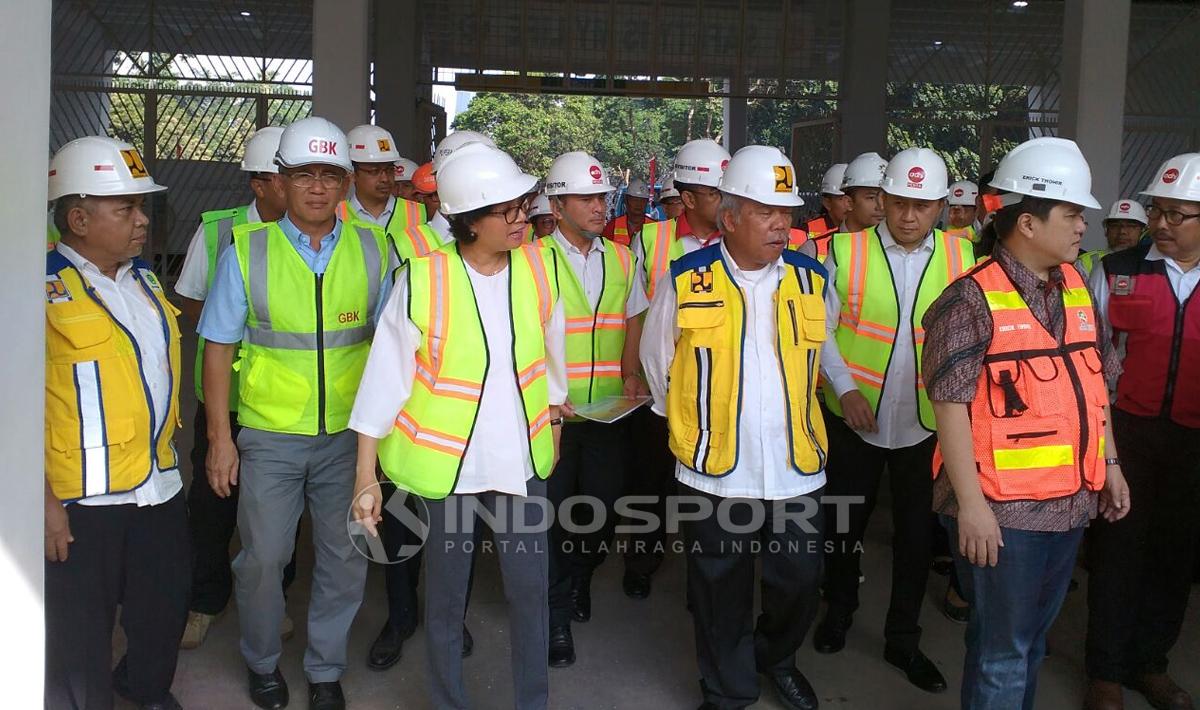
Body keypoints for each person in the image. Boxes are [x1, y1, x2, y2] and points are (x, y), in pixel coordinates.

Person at [350, 141, 564, 710]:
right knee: (445, 603)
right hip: (448, 472)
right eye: (508, 211)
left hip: (521, 466)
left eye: (523, 205)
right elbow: (382, 385)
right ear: (469, 221)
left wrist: (555, 429)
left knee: (530, 593)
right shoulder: (422, 280)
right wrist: (365, 477)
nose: (523, 218)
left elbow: (553, 364)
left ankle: (532, 703)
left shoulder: (539, 272)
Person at [921, 136, 1130, 710]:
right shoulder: (968, 301)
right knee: (1002, 652)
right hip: (1004, 516)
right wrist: (972, 508)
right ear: (1028, 223)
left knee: (1031, 644)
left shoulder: (1080, 289)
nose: (1084, 226)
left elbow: (1096, 387)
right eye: (1071, 214)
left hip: (1069, 505)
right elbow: (951, 411)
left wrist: (1109, 464)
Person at [199, 116, 392, 710]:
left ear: (344, 183)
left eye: (330, 174)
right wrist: (219, 440)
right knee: (264, 558)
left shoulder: (375, 247)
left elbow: (394, 347)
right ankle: (261, 662)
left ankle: (325, 669)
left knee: (345, 556)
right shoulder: (247, 250)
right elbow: (217, 345)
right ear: (279, 181)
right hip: (270, 434)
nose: (317, 186)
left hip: (349, 438)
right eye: (303, 173)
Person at [641, 145, 828, 710]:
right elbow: (657, 362)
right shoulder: (687, 279)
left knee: (798, 582)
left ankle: (776, 658)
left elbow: (821, 355)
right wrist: (693, 427)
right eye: (767, 212)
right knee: (718, 590)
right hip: (716, 471)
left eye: (787, 213)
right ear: (729, 217)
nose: (781, 225)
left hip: (795, 467)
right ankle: (727, 689)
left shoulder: (811, 279)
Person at [811, 147, 974, 694]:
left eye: (922, 206)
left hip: (925, 427)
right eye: (900, 203)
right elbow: (822, 330)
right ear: (881, 199)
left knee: (913, 539)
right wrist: (846, 387)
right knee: (842, 528)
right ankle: (838, 613)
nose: (909, 216)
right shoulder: (845, 250)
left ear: (941, 207)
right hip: (853, 420)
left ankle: (903, 639)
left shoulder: (961, 258)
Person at [43, 136, 189, 710]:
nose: (142, 221)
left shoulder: (145, 281)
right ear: (78, 218)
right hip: (83, 503)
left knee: (163, 607)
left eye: (141, 207)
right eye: (125, 209)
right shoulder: (36, 290)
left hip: (159, 486)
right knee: (82, 638)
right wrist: (44, 501)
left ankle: (149, 691)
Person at [172, 126, 300, 651]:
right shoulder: (218, 231)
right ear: (259, 184)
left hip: (285, 400)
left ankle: (278, 600)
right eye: (285, 178)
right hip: (224, 396)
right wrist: (238, 322)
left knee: (279, 510)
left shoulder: (317, 232)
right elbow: (190, 300)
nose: (298, 188)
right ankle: (205, 599)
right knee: (213, 500)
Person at [1084, 153, 1200, 710]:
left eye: (1179, 215)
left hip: (1193, 441)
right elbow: (1091, 358)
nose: (1161, 224)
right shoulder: (1116, 269)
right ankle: (1104, 671)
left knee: (1175, 554)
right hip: (1126, 433)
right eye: (1158, 210)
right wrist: (1102, 445)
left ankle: (1151, 664)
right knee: (1118, 551)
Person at [540, 150, 649, 667]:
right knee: (554, 518)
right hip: (554, 417)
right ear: (557, 206)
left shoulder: (624, 258)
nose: (599, 206)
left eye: (601, 197)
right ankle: (557, 615)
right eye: (585, 198)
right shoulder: (532, 260)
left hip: (608, 412)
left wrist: (630, 373)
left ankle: (581, 576)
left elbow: (634, 318)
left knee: (603, 510)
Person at [621, 139, 732, 602]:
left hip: (721, 390)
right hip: (661, 390)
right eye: (717, 193)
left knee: (709, 491)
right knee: (652, 483)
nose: (728, 202)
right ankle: (641, 561)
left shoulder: (737, 239)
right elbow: (637, 310)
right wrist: (635, 374)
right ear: (688, 199)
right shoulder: (653, 238)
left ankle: (702, 581)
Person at [338, 124, 426, 236]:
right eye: (374, 171)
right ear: (352, 174)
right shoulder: (335, 215)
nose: (385, 178)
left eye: (389, 169)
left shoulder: (420, 213)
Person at [1077, 198, 1148, 275]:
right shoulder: (1086, 262)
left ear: (1142, 231)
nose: (1122, 231)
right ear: (1106, 230)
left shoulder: (1153, 263)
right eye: (1115, 226)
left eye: (1131, 226)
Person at [799, 162, 850, 259]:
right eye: (841, 199)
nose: (848, 204)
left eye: (850, 199)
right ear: (827, 203)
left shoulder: (863, 233)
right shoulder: (806, 231)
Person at [839, 152, 888, 235]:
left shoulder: (897, 246)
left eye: (885, 198)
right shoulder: (823, 246)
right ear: (848, 203)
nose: (881, 207)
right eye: (871, 198)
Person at [603, 176, 655, 246]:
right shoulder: (613, 226)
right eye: (634, 200)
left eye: (642, 200)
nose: (638, 204)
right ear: (626, 200)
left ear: (646, 202)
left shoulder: (655, 226)